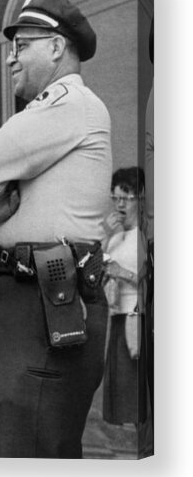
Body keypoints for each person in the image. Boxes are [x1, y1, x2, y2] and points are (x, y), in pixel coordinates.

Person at [0, 0, 112, 458]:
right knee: (30, 443)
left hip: (47, 297)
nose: (11, 59)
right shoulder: (55, 112)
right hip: (33, 299)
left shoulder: (70, 103)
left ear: (56, 46)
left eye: (22, 46)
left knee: (33, 451)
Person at [102, 167, 147, 427]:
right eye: (115, 197)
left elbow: (148, 277)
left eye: (126, 198)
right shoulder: (115, 237)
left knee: (133, 388)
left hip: (137, 317)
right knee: (118, 389)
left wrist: (122, 272)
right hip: (117, 316)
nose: (120, 204)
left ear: (139, 198)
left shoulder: (144, 234)